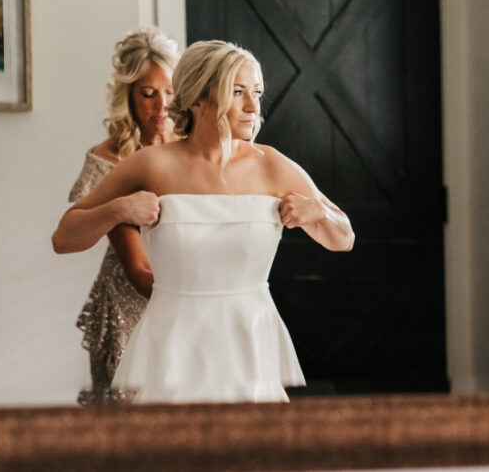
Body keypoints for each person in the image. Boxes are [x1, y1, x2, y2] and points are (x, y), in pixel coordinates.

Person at [55, 40, 354, 403]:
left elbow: (344, 238)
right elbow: (64, 237)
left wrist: (319, 212)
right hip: (172, 350)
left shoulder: (272, 164)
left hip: (249, 349)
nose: (253, 107)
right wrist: (119, 210)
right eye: (238, 92)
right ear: (197, 98)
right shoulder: (152, 164)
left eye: (257, 93)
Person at [51, 26, 180, 405]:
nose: (161, 106)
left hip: (179, 295)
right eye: (148, 94)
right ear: (128, 96)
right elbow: (136, 267)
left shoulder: (191, 151)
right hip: (130, 303)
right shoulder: (108, 162)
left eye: (170, 93)